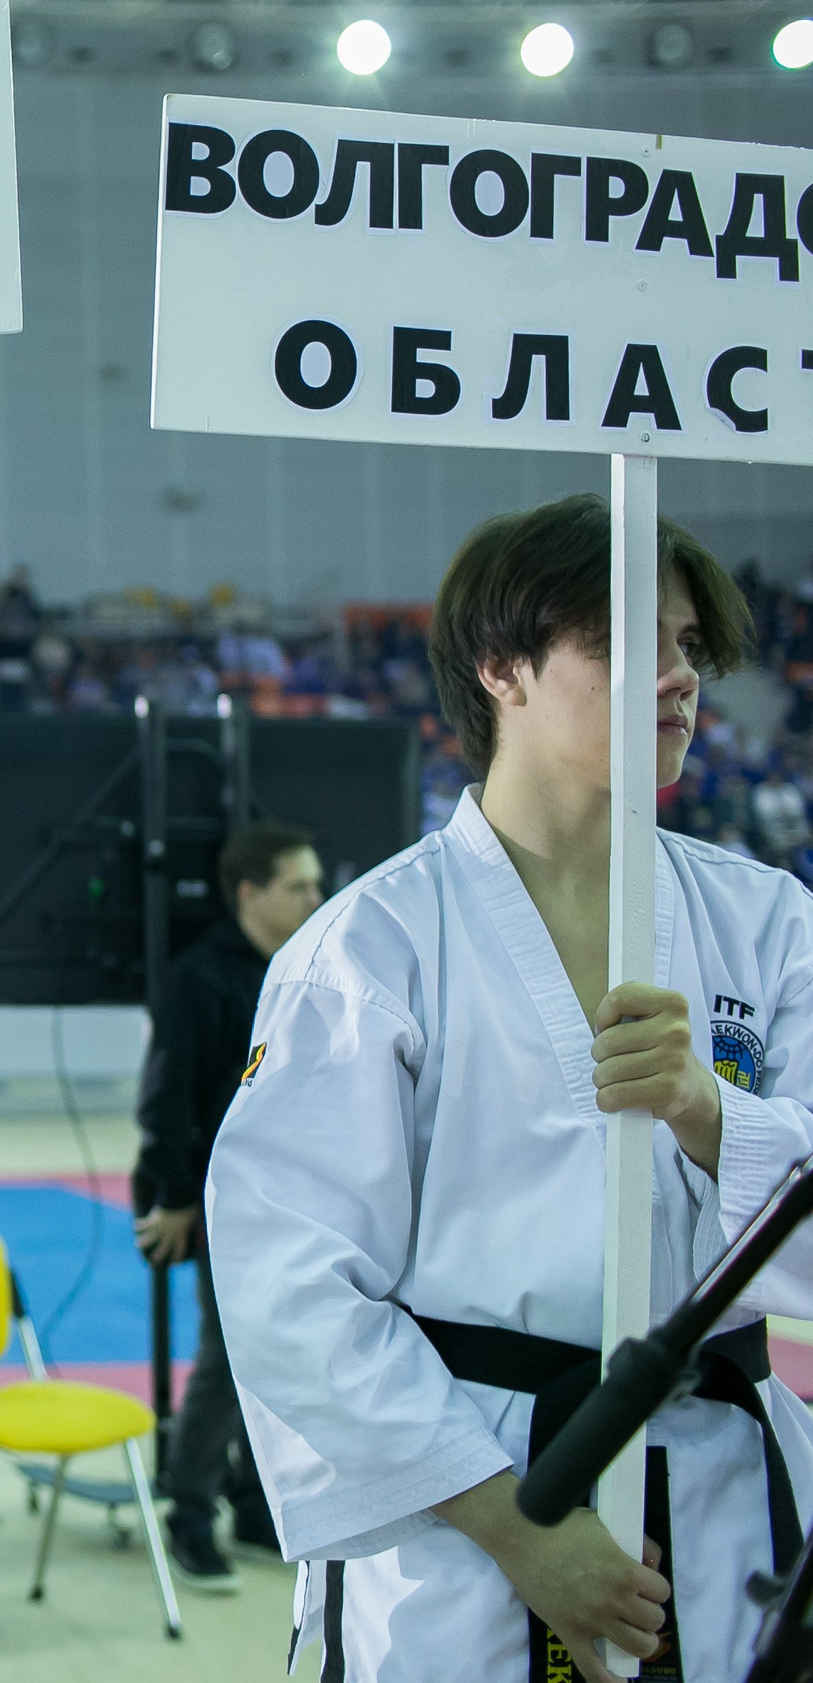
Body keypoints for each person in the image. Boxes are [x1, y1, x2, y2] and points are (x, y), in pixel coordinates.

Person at [209, 493, 813, 1682]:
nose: (681, 677)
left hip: (724, 1485)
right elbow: (291, 1287)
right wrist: (518, 1526)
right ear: (502, 668)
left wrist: (708, 1115)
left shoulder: (769, 923)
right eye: (633, 641)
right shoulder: (370, 947)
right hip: (470, 1504)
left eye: (690, 647)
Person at [131, 821, 325, 1591]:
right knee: (228, 1358)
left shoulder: (303, 966)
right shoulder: (198, 977)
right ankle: (188, 1512)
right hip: (215, 1198)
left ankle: (252, 1501)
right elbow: (166, 1098)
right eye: (299, 884)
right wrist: (178, 1197)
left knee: (271, 1352)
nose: (317, 896)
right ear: (251, 892)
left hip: (288, 1194)